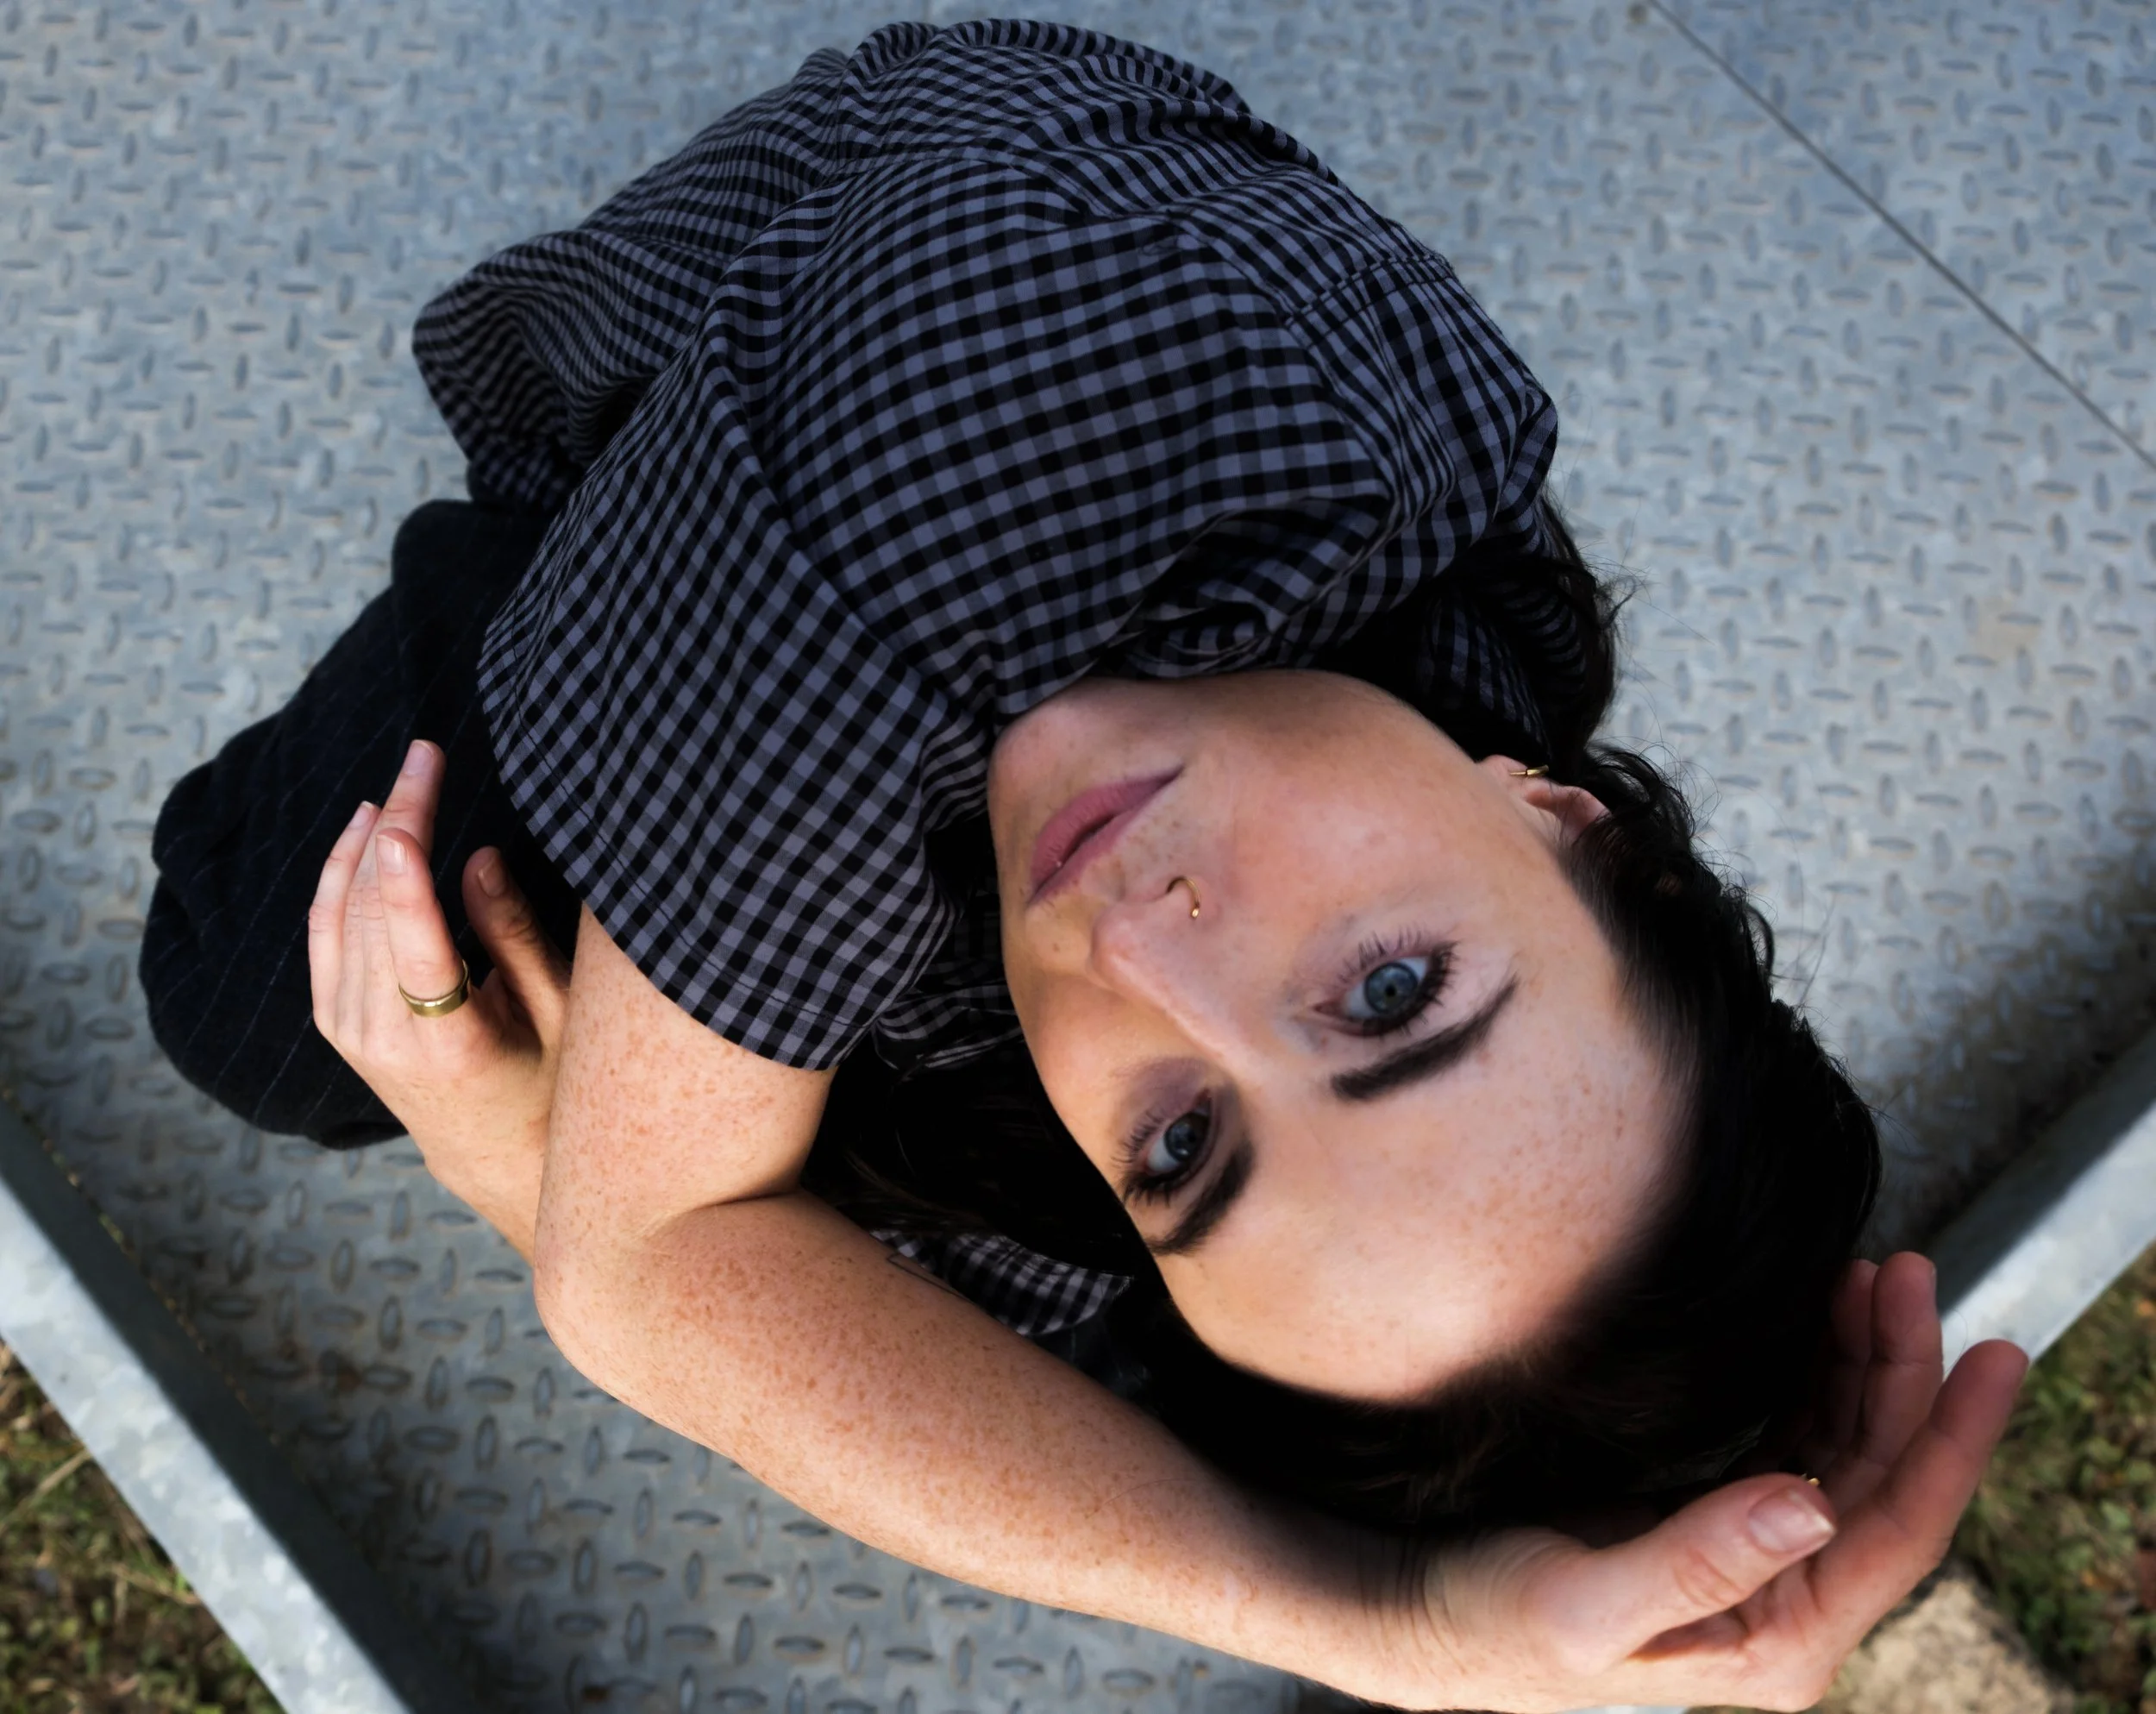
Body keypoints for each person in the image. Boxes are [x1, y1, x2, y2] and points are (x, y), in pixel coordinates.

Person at [139, 18, 2028, 1708]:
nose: (1150, 955)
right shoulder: (977, 461)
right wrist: (535, 1172)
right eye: (1389, 995)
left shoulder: (1406, 761)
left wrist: (1592, 1534)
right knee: (257, 1001)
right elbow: (636, 1278)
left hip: (898, 563)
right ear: (1561, 813)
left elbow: (735, 1284)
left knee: (1107, 1344)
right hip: (782, 403)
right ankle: (564, 593)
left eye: (1186, 1145)